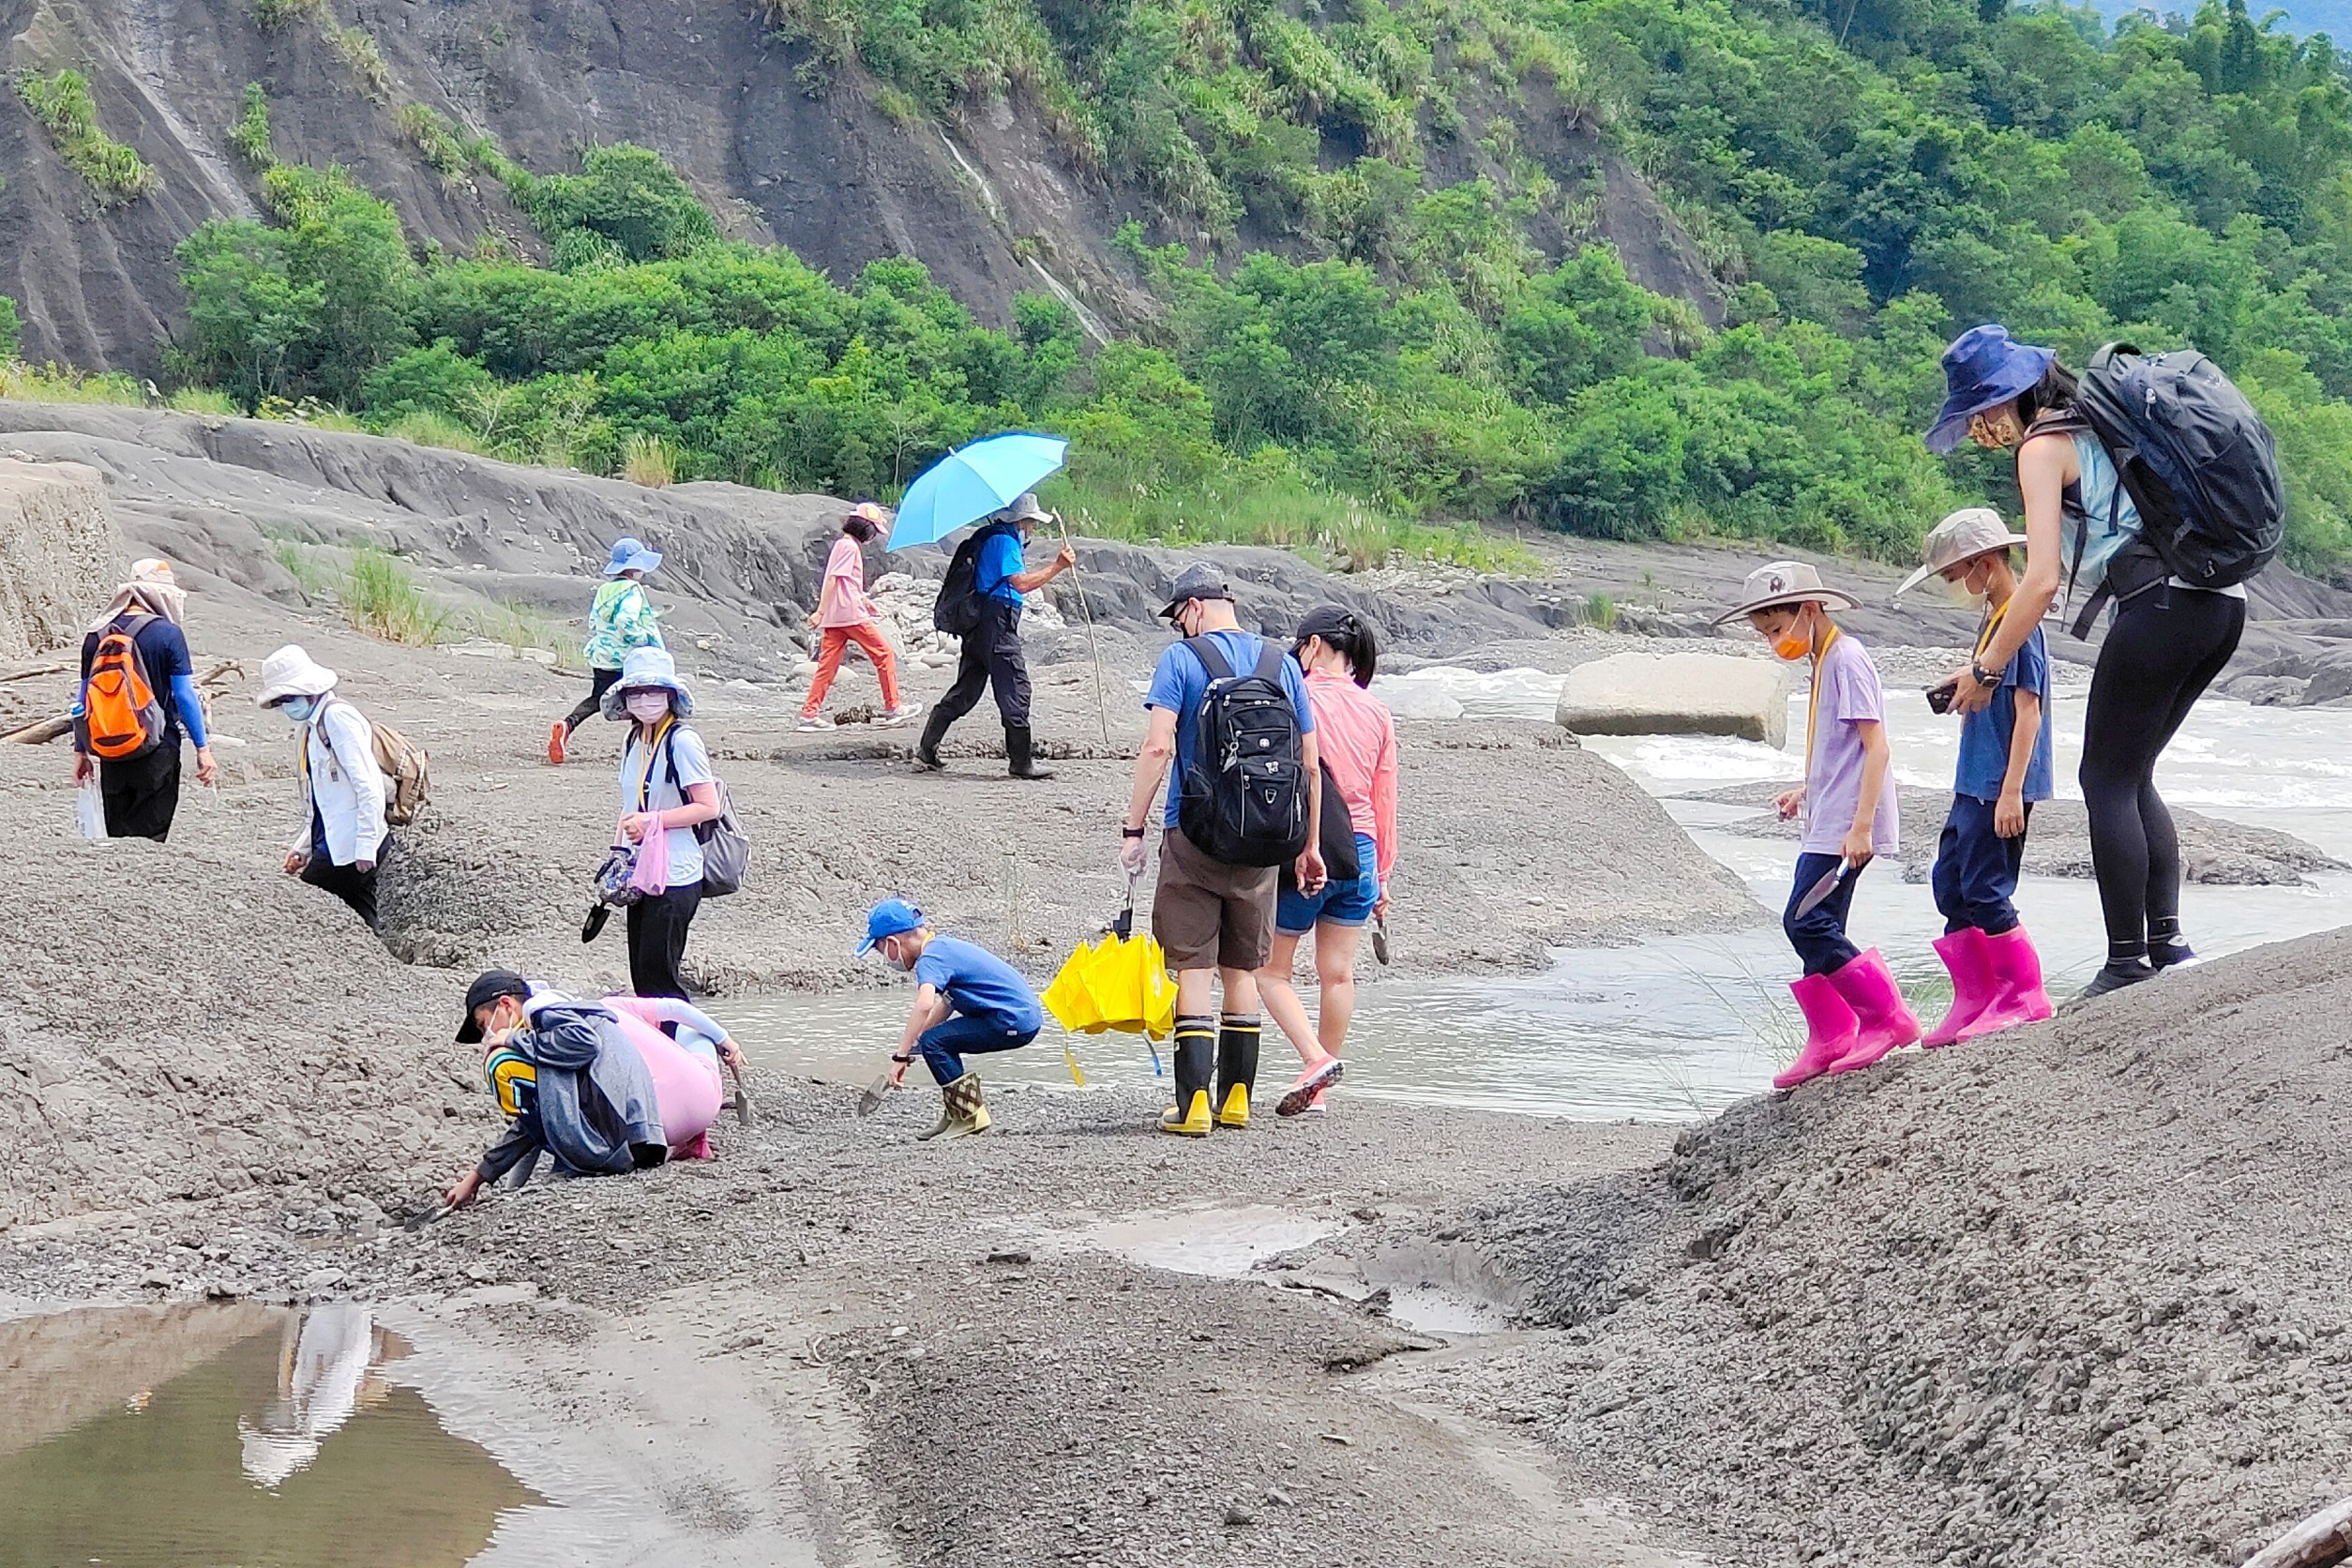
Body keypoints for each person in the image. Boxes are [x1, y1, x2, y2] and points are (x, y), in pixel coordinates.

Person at [1925, 324, 2246, 997]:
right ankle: (2168, 944)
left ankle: (2127, 961)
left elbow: (2039, 580)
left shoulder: (2044, 444)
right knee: (2131, 773)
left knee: (2104, 781)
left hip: (2159, 606)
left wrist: (1985, 674)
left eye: (1980, 411)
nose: (1981, 427)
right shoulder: (2104, 422)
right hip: (2219, 604)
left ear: (2010, 395)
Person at [1121, 565, 1324, 1136]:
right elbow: (1309, 762)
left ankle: (1191, 1109)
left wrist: (1133, 829)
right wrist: (1307, 844)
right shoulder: (1280, 663)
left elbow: (1158, 749)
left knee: (1193, 966)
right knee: (1243, 966)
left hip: (1195, 833)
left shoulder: (1181, 660)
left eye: (1178, 617)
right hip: (1265, 837)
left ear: (1192, 608)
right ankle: (1236, 1101)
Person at [1713, 563, 1917, 1091]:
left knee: (1806, 923)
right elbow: (1842, 748)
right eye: (1765, 635)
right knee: (1817, 928)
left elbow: (1878, 748)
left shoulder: (1847, 658)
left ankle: (1885, 1016)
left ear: (1809, 609)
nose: (1773, 642)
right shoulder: (1823, 661)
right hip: (1826, 817)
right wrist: (1808, 790)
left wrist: (1862, 827)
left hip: (1845, 828)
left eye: (1777, 630)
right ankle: (1829, 1036)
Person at [1894, 508, 2057, 1045]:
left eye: (1953, 575)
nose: (1953, 587)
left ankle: (2023, 995)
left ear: (1983, 564)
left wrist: (2012, 792)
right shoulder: (1995, 619)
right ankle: (1976, 996)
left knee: (1988, 889)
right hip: (1974, 777)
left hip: (1998, 783)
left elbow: (2029, 711)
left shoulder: (2021, 622)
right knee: (1951, 882)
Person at [1255, 605, 1396, 1119]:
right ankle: (1322, 1086)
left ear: (1312, 646)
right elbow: (1385, 799)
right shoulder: (1376, 711)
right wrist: (1381, 875)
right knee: (1338, 974)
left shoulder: (1298, 696)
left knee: (1270, 973)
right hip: (1361, 850)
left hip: (1311, 846)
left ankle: (1313, 1060)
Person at [442, 971, 722, 1210]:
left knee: (499, 1062)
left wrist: (511, 1038)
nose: (486, 1036)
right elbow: (535, 1115)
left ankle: (574, 1162)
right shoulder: (564, 1019)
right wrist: (480, 1178)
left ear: (506, 1004)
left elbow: (585, 1043)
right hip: (636, 1143)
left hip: (613, 1148)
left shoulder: (542, 1011)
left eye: (483, 1026)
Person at [913, 492, 1076, 779]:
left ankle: (927, 749)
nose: (1033, 528)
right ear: (1023, 520)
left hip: (979, 624)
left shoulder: (988, 535)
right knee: (1016, 688)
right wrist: (1058, 567)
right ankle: (1021, 762)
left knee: (966, 690)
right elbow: (1020, 583)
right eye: (1032, 522)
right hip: (997, 625)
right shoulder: (1004, 540)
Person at [861, 898, 1043, 1140]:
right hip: (1018, 1017)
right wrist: (916, 1045)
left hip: (1012, 1020)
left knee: (935, 1042)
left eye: (880, 949)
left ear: (893, 942)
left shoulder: (930, 959)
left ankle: (969, 1116)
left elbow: (925, 1004)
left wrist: (900, 1055)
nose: (885, 958)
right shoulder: (943, 947)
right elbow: (947, 1003)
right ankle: (955, 1111)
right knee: (932, 1040)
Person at [70, 558, 217, 840]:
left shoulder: (97, 634)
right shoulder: (168, 634)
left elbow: (84, 697)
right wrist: (202, 748)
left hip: (110, 748)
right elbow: (184, 696)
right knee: (150, 839)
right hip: (157, 749)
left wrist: (81, 751)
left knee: (117, 835)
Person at [606, 647, 721, 999]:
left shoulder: (682, 741)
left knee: (661, 982)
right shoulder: (634, 739)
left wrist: (653, 821)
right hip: (641, 874)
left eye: (653, 692)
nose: (644, 700)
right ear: (625, 699)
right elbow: (630, 807)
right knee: (644, 979)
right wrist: (616, 856)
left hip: (675, 875)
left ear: (670, 696)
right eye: (636, 693)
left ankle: (685, 1049)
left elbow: (708, 806)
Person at [255, 645, 391, 930]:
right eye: (281, 702)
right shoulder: (309, 729)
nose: (286, 707)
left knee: (304, 905)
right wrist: (303, 848)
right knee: (361, 914)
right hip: (335, 842)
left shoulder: (337, 718)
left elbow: (368, 785)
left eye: (289, 698)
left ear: (309, 690)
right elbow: (323, 802)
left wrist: (366, 847)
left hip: (351, 846)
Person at [800, 503, 919, 731]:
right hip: (849, 615)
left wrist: (864, 601)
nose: (874, 536)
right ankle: (893, 707)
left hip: (837, 617)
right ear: (866, 528)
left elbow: (845, 581)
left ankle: (809, 714)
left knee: (827, 666)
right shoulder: (850, 548)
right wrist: (819, 611)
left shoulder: (841, 544)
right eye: (874, 530)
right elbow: (835, 579)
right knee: (884, 654)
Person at [550, 536, 665, 765]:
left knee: (597, 698)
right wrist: (644, 639)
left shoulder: (605, 589)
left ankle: (568, 724)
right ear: (635, 567)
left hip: (602, 656)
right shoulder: (633, 590)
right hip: (628, 658)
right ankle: (643, 751)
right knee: (643, 700)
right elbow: (625, 621)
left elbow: (594, 622)